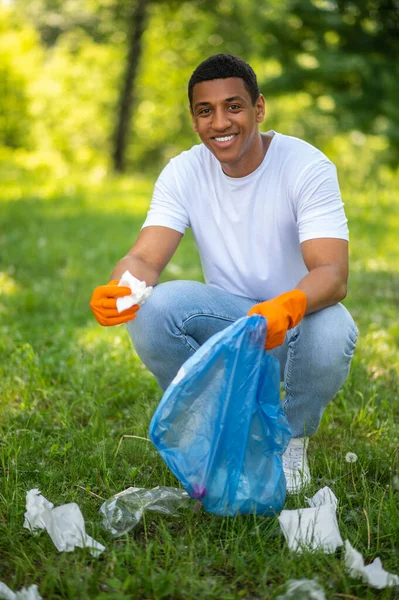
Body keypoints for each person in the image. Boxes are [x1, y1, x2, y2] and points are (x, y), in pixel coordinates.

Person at [90, 53, 358, 493]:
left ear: (258, 109)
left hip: (295, 327)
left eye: (233, 106)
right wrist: (121, 287)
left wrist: (286, 307)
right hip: (230, 328)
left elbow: (332, 273)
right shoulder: (184, 171)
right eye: (205, 110)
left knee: (334, 328)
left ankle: (288, 440)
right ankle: (213, 429)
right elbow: (144, 260)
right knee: (153, 308)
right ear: (194, 121)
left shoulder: (307, 167)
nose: (220, 122)